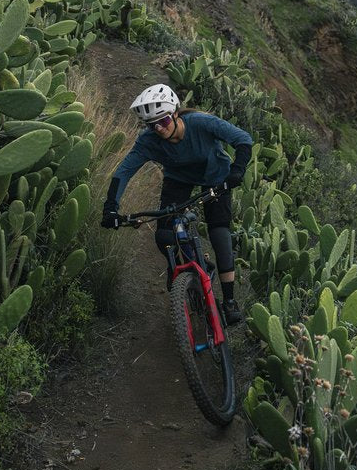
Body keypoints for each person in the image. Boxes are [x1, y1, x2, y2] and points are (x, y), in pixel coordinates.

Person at [101, 83, 251, 325]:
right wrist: (110, 207)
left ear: (175, 114)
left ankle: (229, 300)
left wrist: (237, 171)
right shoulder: (149, 141)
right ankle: (184, 267)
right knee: (164, 235)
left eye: (163, 120)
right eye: (152, 125)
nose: (159, 128)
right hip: (178, 180)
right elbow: (124, 172)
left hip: (216, 175)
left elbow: (243, 139)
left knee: (219, 231)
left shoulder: (201, 123)